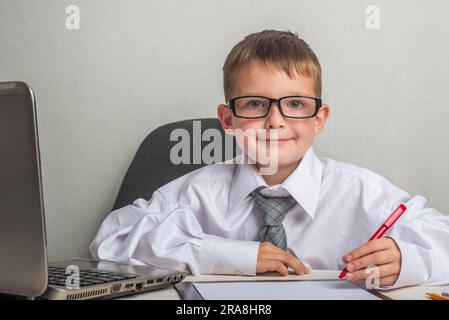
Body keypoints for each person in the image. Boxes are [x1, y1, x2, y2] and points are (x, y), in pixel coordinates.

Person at [90, 30, 449, 289]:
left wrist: (410, 261)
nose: (275, 120)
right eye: (255, 104)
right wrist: (233, 256)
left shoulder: (361, 193)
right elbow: (111, 238)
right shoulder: (199, 191)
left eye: (295, 104)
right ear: (228, 120)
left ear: (318, 119)